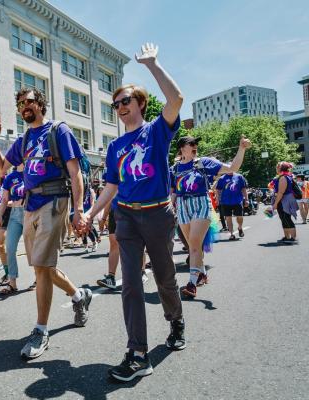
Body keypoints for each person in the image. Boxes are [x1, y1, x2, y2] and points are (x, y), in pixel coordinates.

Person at [86, 43, 185, 382]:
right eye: (115, 104)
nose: (120, 107)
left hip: (158, 214)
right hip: (126, 216)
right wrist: (90, 212)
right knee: (130, 284)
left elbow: (176, 100)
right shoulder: (114, 147)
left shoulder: (157, 130)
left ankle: (175, 319)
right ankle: (137, 352)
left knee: (165, 277)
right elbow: (111, 186)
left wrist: (153, 65)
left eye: (126, 101)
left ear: (140, 103)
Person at [0, 87, 93, 360]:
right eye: (20, 102)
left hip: (54, 201)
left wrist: (79, 209)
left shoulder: (58, 131)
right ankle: (79, 295)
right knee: (42, 266)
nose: (25, 106)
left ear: (41, 104)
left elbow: (75, 172)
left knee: (42, 268)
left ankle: (41, 330)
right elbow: (1, 170)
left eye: (29, 101)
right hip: (29, 206)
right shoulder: (23, 140)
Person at [172, 136, 251, 298]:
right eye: (191, 144)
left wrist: (241, 149)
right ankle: (201, 273)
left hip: (201, 204)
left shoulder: (204, 162)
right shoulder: (174, 168)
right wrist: (170, 209)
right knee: (193, 246)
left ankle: (192, 283)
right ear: (182, 148)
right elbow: (173, 192)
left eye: (196, 144)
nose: (195, 146)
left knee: (194, 244)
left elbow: (232, 168)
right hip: (181, 206)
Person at [0, 164, 25, 295]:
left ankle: (39, 279)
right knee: (10, 247)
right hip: (14, 214)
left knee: (33, 249)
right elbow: (4, 198)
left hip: (30, 212)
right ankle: (12, 282)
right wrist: (1, 215)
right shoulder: (10, 177)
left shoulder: (32, 172)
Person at [271, 162, 299, 243]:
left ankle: (293, 238)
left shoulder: (283, 178)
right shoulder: (284, 177)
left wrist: (275, 204)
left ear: (280, 168)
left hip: (285, 200)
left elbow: (281, 192)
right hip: (282, 200)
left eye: (277, 167)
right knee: (283, 218)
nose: (276, 168)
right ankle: (287, 237)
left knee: (286, 218)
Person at [216, 171, 248, 240]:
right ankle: (231, 234)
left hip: (237, 201)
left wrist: (246, 199)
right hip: (225, 201)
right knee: (228, 218)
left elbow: (244, 189)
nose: (230, 169)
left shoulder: (239, 177)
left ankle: (240, 227)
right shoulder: (222, 178)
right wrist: (217, 199)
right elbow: (218, 190)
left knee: (240, 216)